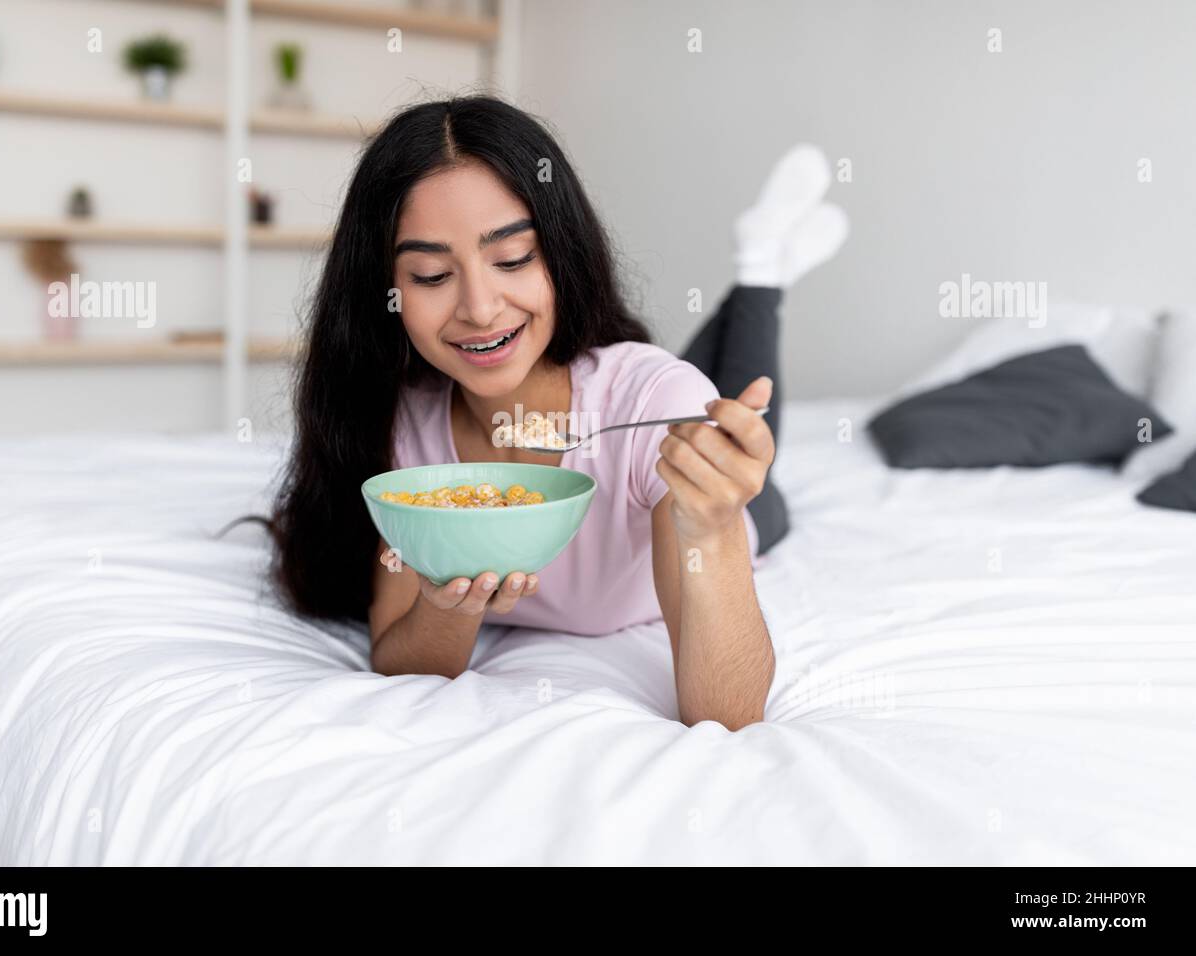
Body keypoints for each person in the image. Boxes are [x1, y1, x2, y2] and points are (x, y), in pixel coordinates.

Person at [268, 96, 846, 729]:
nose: (481, 309)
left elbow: (726, 716)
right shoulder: (404, 423)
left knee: (728, 410)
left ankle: (760, 271)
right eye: (432, 275)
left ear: (561, 256)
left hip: (747, 514)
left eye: (513, 259)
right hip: (639, 389)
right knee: (690, 385)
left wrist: (712, 527)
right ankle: (760, 267)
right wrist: (451, 607)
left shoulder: (655, 405)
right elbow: (402, 659)